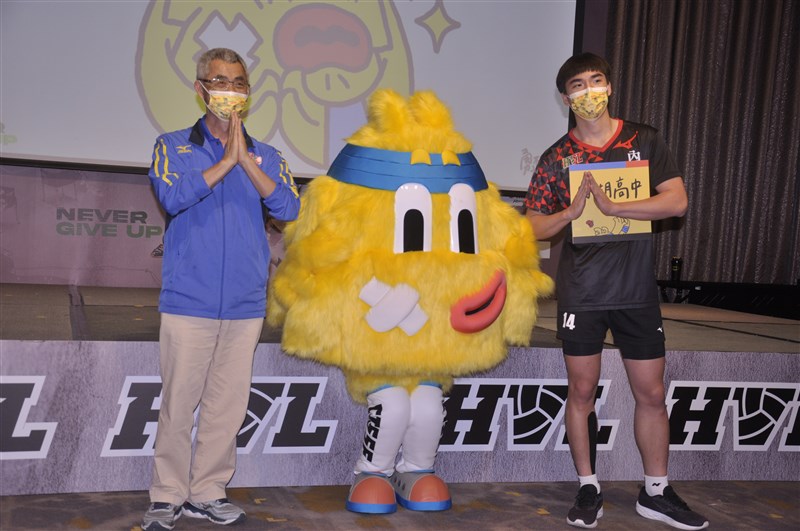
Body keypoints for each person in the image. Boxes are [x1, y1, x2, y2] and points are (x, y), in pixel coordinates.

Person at [525, 53, 708, 530]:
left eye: (596, 81)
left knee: (652, 392)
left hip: (635, 290)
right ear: (566, 98)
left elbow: (677, 200)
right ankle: (588, 486)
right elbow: (531, 227)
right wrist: (570, 213)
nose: (589, 92)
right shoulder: (555, 158)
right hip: (582, 293)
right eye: (578, 86)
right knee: (581, 390)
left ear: (609, 86)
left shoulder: (643, 140)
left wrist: (616, 206)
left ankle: (656, 491)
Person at [141, 48, 300, 531]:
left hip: (245, 304)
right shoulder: (172, 146)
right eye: (219, 81)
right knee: (178, 405)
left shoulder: (267, 155)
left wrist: (243, 160)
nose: (229, 90)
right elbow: (172, 195)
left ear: (247, 93)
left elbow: (289, 208)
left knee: (226, 408)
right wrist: (224, 163)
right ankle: (167, 495)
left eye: (237, 82)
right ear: (201, 89)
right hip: (188, 300)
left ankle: (208, 491)